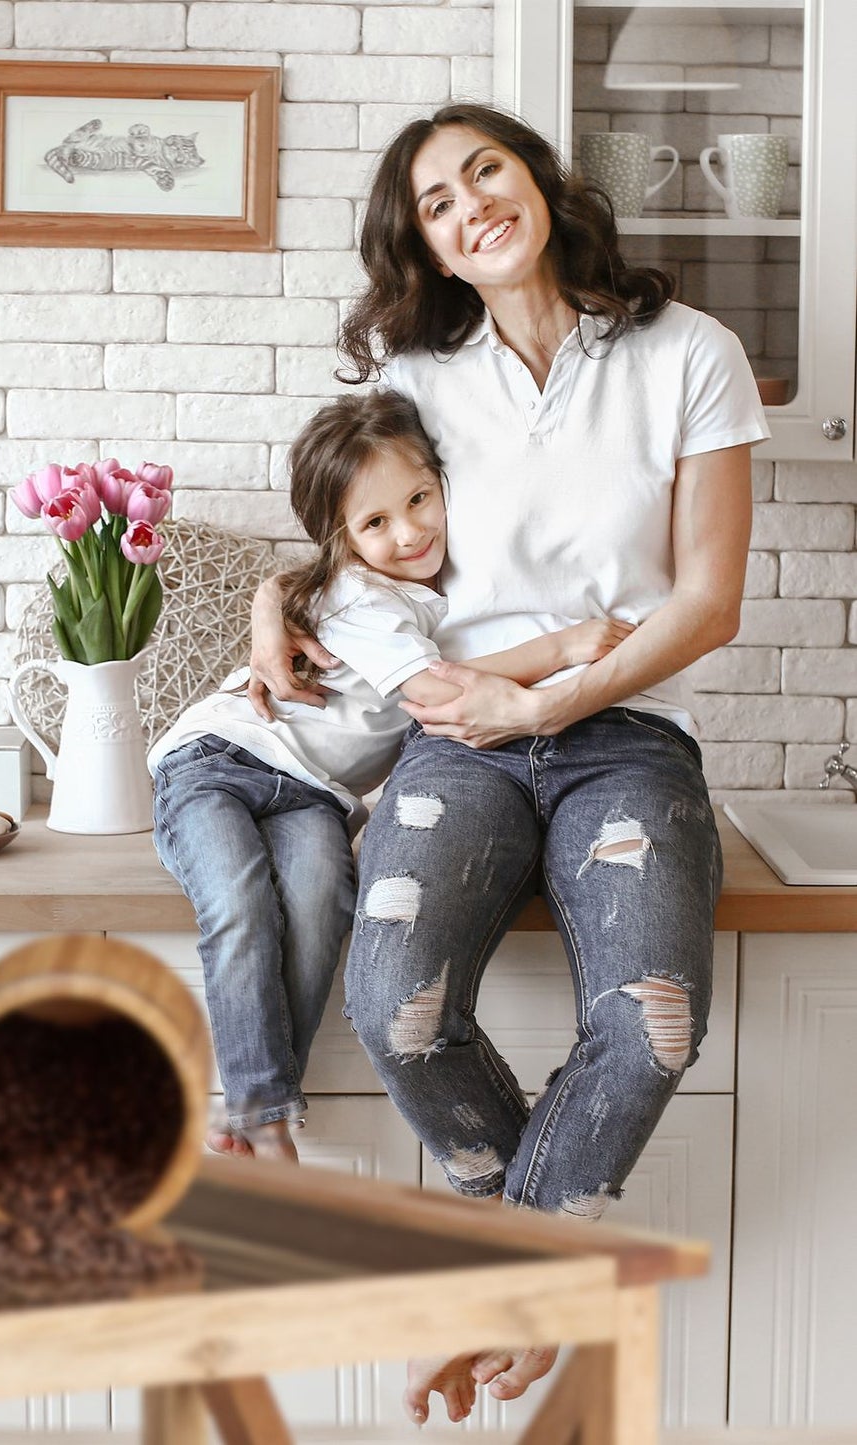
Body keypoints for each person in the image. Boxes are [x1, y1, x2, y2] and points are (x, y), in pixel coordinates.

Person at [246, 102, 768, 1425]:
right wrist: (273, 594)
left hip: (626, 735)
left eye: (486, 168)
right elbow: (350, 542)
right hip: (458, 740)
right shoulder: (419, 382)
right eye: (434, 198)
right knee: (392, 1005)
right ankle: (523, 1242)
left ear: (535, 179)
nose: (471, 202)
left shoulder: (688, 351)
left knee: (650, 1026)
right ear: (421, 241)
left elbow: (705, 603)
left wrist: (553, 699)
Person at [148, 390, 632, 1166]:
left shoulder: (422, 594)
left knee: (318, 901)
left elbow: (424, 666)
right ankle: (261, 1116)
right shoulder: (356, 593)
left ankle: (252, 1112)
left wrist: (273, 592)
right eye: (376, 522)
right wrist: (565, 646)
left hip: (313, 795)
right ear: (341, 538)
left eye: (418, 499)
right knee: (238, 900)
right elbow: (434, 691)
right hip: (219, 760)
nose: (410, 531)